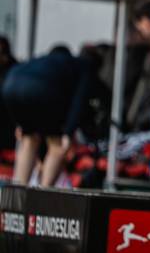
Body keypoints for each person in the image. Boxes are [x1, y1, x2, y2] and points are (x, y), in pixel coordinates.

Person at [3, 46, 93, 187]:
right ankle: (43, 193)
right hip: (42, 89)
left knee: (29, 139)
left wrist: (19, 123)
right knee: (56, 145)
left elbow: (22, 85)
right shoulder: (80, 65)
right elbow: (79, 100)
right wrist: (68, 132)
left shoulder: (40, 60)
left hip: (10, 84)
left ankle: (17, 193)